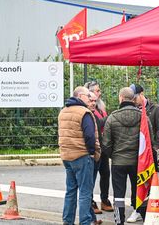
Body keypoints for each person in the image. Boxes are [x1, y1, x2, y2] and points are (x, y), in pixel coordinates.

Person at [102, 87, 150, 225]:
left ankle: (119, 221)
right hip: (138, 162)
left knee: (119, 194)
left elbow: (105, 144)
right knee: (140, 191)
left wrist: (114, 155)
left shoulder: (112, 117)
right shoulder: (143, 117)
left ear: (121, 98)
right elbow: (148, 140)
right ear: (133, 99)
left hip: (118, 162)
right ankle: (145, 218)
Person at [58, 86, 101, 225]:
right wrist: (91, 152)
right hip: (82, 155)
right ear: (81, 96)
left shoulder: (63, 111)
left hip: (67, 156)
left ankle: (67, 221)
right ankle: (85, 222)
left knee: (70, 191)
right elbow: (89, 135)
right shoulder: (85, 112)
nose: (90, 99)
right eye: (88, 96)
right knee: (85, 193)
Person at [128, 83, 159, 222]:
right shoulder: (131, 109)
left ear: (141, 94)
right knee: (136, 182)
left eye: (135, 97)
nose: (132, 99)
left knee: (150, 182)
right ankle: (137, 209)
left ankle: (149, 208)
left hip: (150, 152)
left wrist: (155, 146)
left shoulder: (155, 109)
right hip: (136, 153)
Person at [85, 81, 113, 213]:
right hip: (95, 146)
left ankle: (105, 199)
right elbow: (98, 123)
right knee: (92, 176)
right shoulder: (88, 110)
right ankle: (90, 201)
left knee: (106, 174)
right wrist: (108, 119)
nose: (99, 93)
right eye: (97, 90)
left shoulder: (101, 108)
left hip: (104, 145)